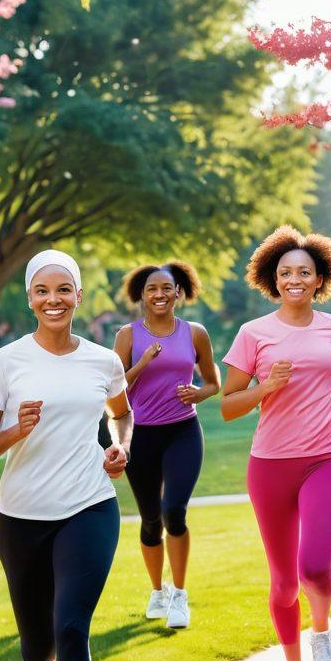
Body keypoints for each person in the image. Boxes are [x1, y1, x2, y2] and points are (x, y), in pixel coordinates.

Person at [0, 249, 132, 661]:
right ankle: (41, 659)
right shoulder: (5, 363)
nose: (54, 299)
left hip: (89, 506)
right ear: (30, 298)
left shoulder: (102, 361)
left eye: (64, 289)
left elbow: (121, 412)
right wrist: (17, 430)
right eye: (43, 290)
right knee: (39, 648)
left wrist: (120, 446)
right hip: (21, 517)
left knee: (71, 629)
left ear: (78, 296)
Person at [220, 227, 331, 661]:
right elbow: (228, 406)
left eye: (304, 272)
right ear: (272, 279)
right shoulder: (253, 334)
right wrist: (265, 388)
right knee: (283, 584)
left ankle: (321, 633)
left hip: (329, 457)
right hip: (270, 466)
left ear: (320, 278)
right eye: (285, 273)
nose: (294, 279)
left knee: (314, 568)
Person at [113, 261, 219, 629]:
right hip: (141, 436)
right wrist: (143, 361)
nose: (159, 294)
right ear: (141, 296)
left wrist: (198, 393)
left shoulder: (195, 333)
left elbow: (214, 383)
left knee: (174, 510)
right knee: (150, 519)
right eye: (152, 289)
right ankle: (157, 591)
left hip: (182, 432)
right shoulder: (127, 335)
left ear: (178, 292)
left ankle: (180, 595)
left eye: (166, 288)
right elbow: (115, 389)